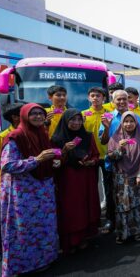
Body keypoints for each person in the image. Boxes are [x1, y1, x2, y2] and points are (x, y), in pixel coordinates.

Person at [0, 103, 59, 276]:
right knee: (23, 229)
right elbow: (7, 165)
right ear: (24, 116)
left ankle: (44, 259)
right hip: (23, 193)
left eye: (41, 114)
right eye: (33, 114)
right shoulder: (15, 137)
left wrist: (52, 161)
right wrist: (37, 160)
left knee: (44, 226)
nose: (38, 117)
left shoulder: (42, 134)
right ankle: (22, 266)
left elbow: (46, 157)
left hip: (43, 191)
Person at [51, 109, 101, 254]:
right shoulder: (57, 139)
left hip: (85, 177)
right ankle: (70, 240)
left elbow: (96, 155)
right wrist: (65, 150)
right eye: (73, 120)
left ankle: (83, 237)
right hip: (68, 178)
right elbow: (54, 163)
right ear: (65, 121)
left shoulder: (87, 136)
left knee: (85, 206)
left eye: (79, 120)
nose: (76, 123)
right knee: (71, 209)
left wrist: (92, 162)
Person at [99, 90, 140, 233]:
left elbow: (139, 139)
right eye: (118, 99)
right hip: (112, 162)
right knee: (112, 193)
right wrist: (106, 127)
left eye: (125, 99)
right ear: (113, 100)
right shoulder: (108, 116)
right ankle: (112, 221)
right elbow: (103, 141)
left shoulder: (135, 117)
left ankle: (132, 222)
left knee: (131, 194)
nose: (122, 102)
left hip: (131, 163)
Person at [107, 111, 140, 244]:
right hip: (121, 178)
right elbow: (111, 156)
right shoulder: (115, 138)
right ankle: (123, 232)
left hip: (137, 176)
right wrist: (119, 148)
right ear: (122, 123)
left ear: (136, 123)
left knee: (137, 204)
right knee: (123, 205)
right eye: (126, 121)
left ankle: (138, 230)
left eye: (132, 121)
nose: (129, 124)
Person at [0, 103, 23, 266]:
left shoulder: (30, 132)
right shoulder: (4, 135)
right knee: (0, 215)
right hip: (4, 184)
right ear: (16, 117)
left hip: (24, 183)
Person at [82, 87, 108, 210]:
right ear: (89, 98)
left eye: (98, 96)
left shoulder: (109, 113)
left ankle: (106, 204)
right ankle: (92, 208)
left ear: (104, 98)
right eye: (92, 95)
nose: (95, 98)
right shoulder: (83, 114)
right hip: (91, 155)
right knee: (92, 184)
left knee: (107, 183)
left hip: (106, 154)